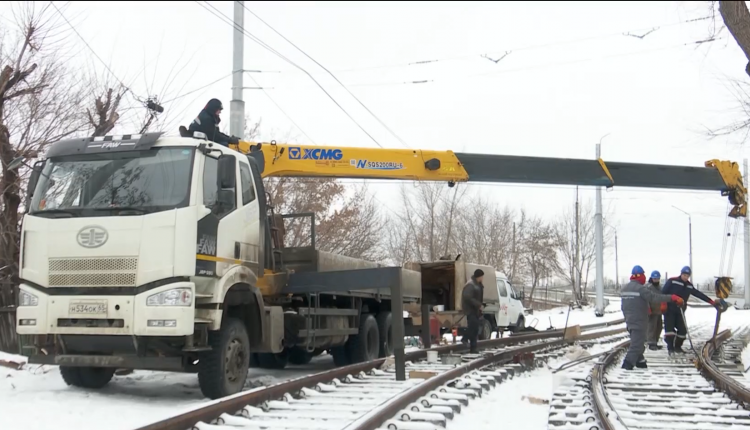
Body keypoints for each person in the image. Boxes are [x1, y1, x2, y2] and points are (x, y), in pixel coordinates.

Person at [620, 265, 684, 370]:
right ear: (640, 275)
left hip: (629, 319)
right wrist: (672, 297)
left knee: (638, 340)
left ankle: (640, 361)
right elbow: (654, 297)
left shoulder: (624, 288)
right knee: (637, 343)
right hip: (639, 319)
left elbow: (624, 305)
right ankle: (627, 364)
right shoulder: (641, 289)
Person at [661, 266, 726, 355]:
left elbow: (698, 294)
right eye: (684, 275)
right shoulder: (672, 281)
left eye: (687, 276)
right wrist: (663, 304)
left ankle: (677, 346)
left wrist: (712, 302)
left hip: (680, 310)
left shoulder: (689, 286)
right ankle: (670, 348)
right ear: (681, 274)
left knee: (682, 331)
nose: (685, 277)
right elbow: (663, 293)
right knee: (669, 330)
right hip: (669, 309)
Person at [461, 269, 485, 354]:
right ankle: (464, 338)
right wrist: (478, 304)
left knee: (475, 329)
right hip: (470, 309)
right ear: (479, 276)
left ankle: (473, 348)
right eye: (482, 276)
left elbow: (477, 296)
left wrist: (481, 305)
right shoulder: (471, 285)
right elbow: (467, 297)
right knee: (473, 326)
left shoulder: (478, 284)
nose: (482, 278)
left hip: (476, 310)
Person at [646, 271, 664, 351]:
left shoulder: (660, 287)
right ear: (652, 278)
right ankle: (651, 343)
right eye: (654, 278)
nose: (656, 280)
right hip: (652, 311)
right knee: (651, 327)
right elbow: (645, 298)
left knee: (659, 327)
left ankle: (655, 342)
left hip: (659, 310)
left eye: (657, 278)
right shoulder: (648, 287)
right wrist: (648, 308)